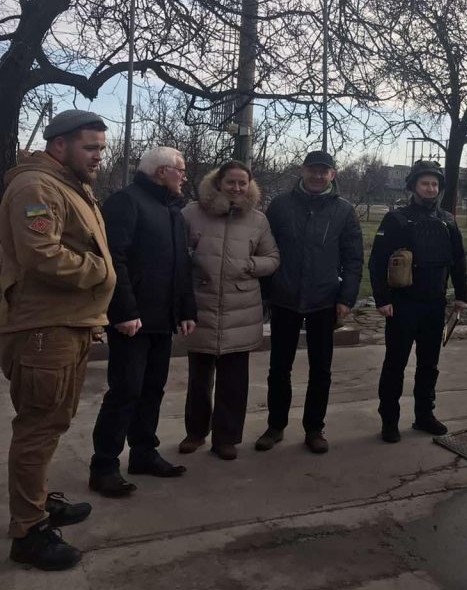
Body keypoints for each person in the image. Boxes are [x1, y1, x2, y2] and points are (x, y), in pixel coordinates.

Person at [0, 110, 115, 570]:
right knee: (38, 427)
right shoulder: (36, 187)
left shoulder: (68, 184)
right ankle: (28, 532)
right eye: (90, 147)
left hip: (66, 323)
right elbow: (41, 254)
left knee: (53, 421)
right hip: (43, 330)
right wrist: (101, 272)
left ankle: (38, 500)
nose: (99, 156)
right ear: (60, 145)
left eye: (102, 148)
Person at [88, 146, 197, 496]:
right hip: (132, 321)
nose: (184, 177)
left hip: (162, 319)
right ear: (162, 172)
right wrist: (123, 312)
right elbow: (113, 260)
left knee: (152, 389)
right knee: (126, 391)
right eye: (181, 170)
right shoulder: (126, 202)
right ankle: (104, 466)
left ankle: (144, 453)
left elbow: (181, 264)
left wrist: (187, 309)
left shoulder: (172, 210)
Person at [254, 150, 363, 454]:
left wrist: (346, 297)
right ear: (302, 171)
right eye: (312, 170)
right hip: (285, 298)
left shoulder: (344, 211)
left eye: (323, 171)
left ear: (332, 175)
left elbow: (354, 259)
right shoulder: (280, 206)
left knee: (321, 370)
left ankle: (314, 428)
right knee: (279, 367)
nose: (317, 176)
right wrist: (266, 292)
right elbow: (265, 250)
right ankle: (275, 426)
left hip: (324, 300)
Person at [179, 161, 279, 460]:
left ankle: (226, 438)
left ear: (250, 186)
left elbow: (272, 258)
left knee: (233, 382)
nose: (236, 188)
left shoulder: (257, 220)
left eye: (242, 183)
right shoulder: (191, 213)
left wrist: (249, 265)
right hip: (201, 305)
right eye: (230, 182)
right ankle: (195, 432)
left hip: (241, 309)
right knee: (199, 379)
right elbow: (175, 252)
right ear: (218, 183)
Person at [368, 160, 467, 444]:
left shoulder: (448, 221)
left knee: (429, 365)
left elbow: (458, 260)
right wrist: (383, 299)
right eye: (425, 183)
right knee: (395, 365)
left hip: (434, 304)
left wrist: (462, 295)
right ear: (413, 186)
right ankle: (389, 421)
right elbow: (377, 262)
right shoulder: (396, 220)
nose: (430, 188)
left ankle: (424, 415)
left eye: (435, 184)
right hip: (403, 305)